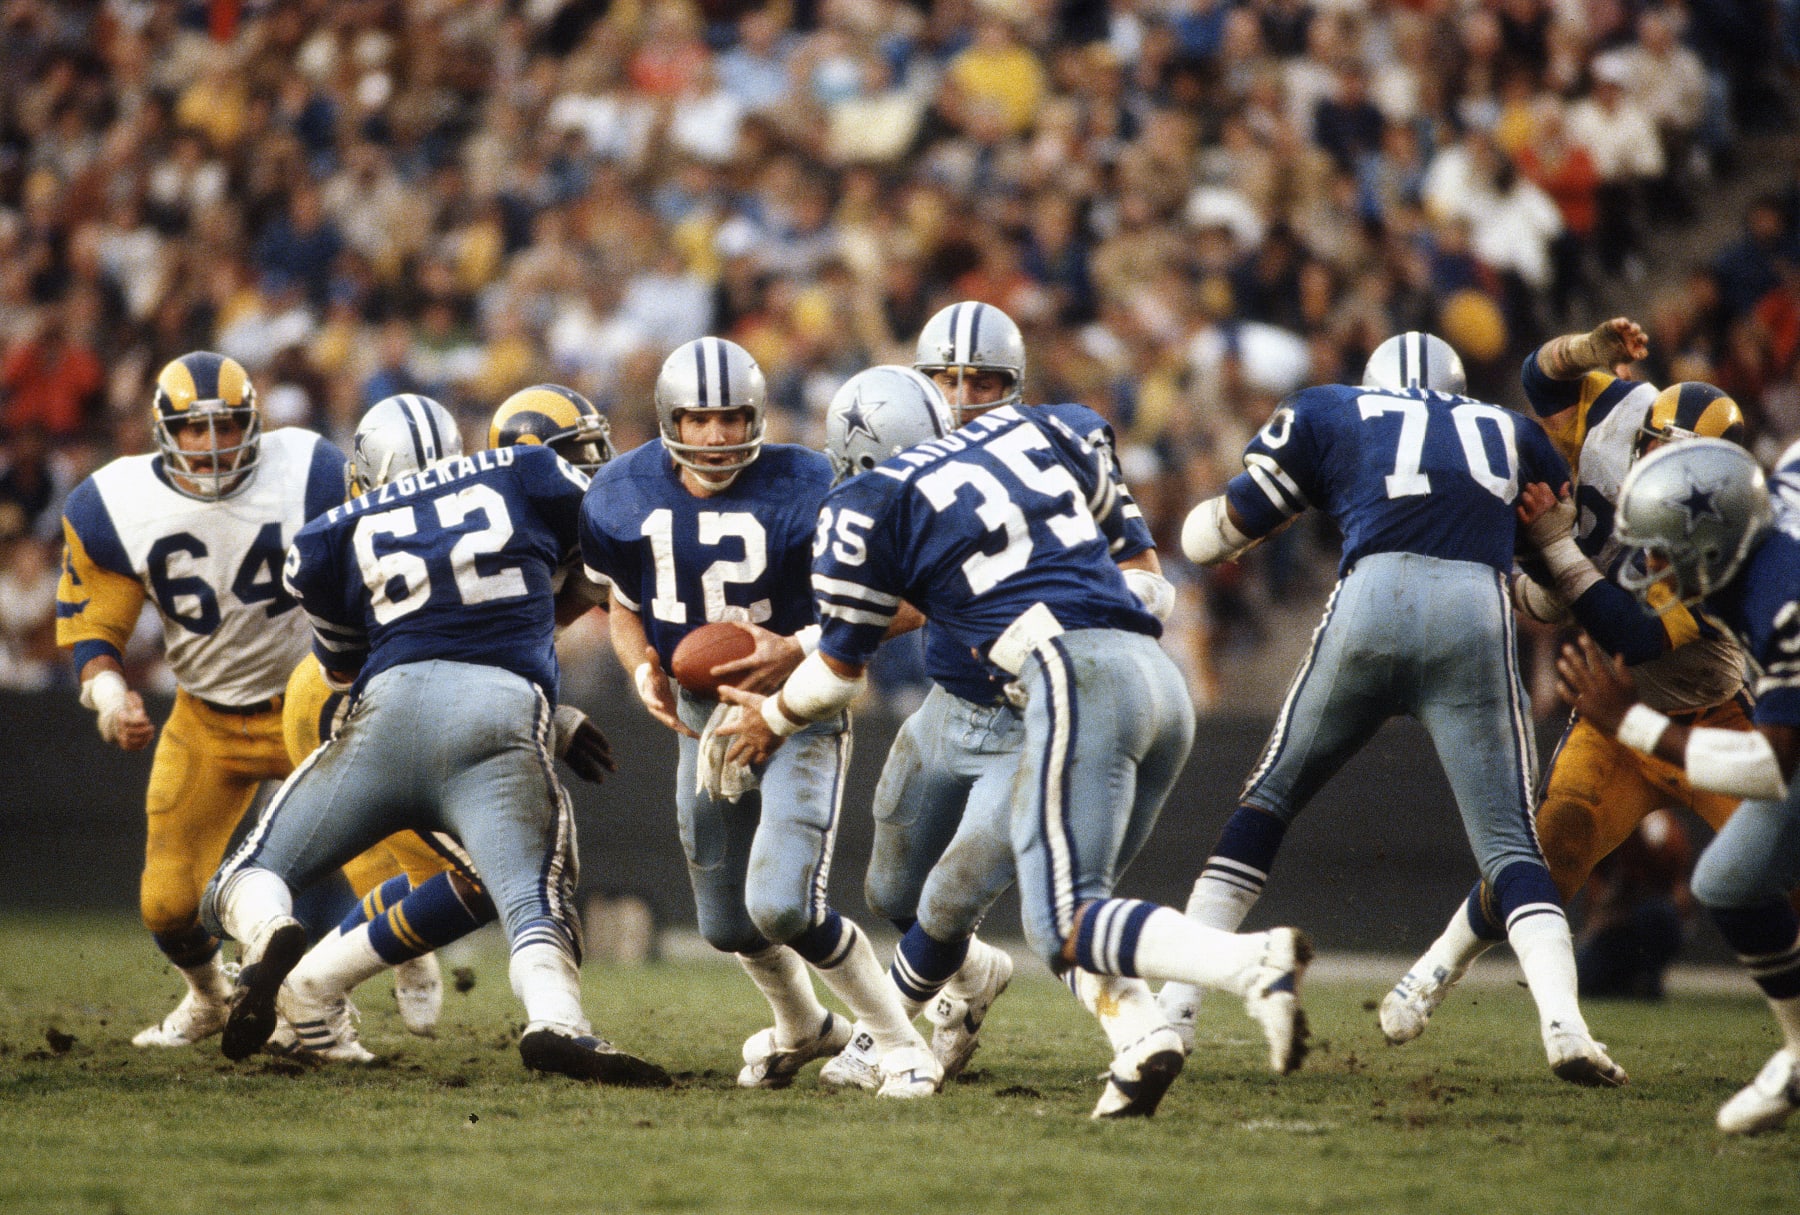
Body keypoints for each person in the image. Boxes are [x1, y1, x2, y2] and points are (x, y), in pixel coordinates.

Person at [717, 369, 1312, 1120]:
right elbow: (1136, 573)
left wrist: (769, 717)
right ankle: (1140, 1044)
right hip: (1154, 678)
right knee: (1058, 908)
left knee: (1059, 920)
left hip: (1068, 684)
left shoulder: (868, 500)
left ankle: (1251, 960)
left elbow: (839, 674)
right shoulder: (1031, 431)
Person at [1161, 331, 1628, 1087]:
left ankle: (1174, 1013)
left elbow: (1212, 536)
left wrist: (1238, 522)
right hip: (1475, 611)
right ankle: (1564, 1024)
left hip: (1371, 602)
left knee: (1267, 802)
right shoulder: (1512, 431)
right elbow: (1549, 591)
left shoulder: (1330, 408)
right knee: (1511, 847)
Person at [200, 393, 667, 1087]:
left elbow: (346, 665)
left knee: (242, 874)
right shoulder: (526, 473)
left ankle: (273, 937)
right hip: (499, 714)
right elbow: (612, 555)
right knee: (534, 889)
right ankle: (555, 1017)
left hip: (377, 709)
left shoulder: (331, 533)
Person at [831, 307, 1185, 1106]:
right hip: (947, 705)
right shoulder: (895, 463)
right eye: (946, 380)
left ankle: (883, 1034)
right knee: (893, 892)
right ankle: (973, 975)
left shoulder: (1054, 439)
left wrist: (1065, 622)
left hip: (1038, 711)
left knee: (952, 891)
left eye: (982, 380)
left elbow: (1146, 573)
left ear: (1014, 385)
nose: (962, 396)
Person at [580, 337, 941, 1097]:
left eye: (733, 417)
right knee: (727, 925)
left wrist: (803, 645)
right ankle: (803, 1025)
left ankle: (899, 1044)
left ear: (758, 414)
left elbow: (910, 600)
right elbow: (623, 603)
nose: (716, 436)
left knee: (781, 902)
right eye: (700, 419)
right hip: (702, 712)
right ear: (669, 417)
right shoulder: (621, 492)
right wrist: (641, 661)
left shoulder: (814, 484)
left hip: (799, 708)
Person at [1381, 319, 1754, 1048]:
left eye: (1688, 464)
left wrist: (1555, 549)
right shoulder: (1621, 416)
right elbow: (1541, 376)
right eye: (1659, 448)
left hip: (1711, 721)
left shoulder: (1726, 528)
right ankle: (1430, 970)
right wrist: (1589, 349)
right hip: (1620, 716)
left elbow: (1634, 631)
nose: (1663, 470)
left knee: (1780, 871)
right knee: (1545, 860)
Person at [54, 351, 346, 1049]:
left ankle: (330, 1010)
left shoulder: (309, 470)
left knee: (393, 860)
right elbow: (96, 626)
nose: (212, 445)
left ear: (255, 424)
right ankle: (210, 996)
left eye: (227, 427)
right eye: (194, 429)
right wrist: (110, 694)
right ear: (165, 431)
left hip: (312, 705)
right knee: (166, 898)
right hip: (207, 717)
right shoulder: (117, 503)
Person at [1555, 437, 1800, 1134]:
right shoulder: (1767, 504)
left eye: (1662, 552)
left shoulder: (1783, 599)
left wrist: (1631, 722)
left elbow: (1768, 765)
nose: (1649, 570)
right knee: (1729, 877)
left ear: (1715, 546)